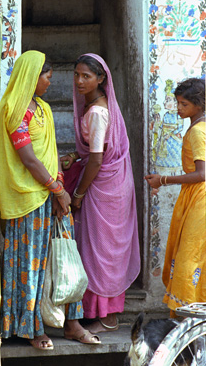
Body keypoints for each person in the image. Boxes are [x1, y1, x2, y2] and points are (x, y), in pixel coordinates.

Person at [0, 50, 99, 350]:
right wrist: (56, 189)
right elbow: (27, 158)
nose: (49, 84)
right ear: (31, 76)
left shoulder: (42, 108)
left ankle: (72, 323)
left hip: (51, 194)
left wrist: (58, 190)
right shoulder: (14, 109)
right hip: (27, 198)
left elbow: (49, 153)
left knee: (65, 259)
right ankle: (32, 328)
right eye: (46, 78)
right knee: (32, 263)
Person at [61, 54, 140, 333]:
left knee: (100, 250)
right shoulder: (92, 105)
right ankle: (95, 311)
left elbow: (96, 159)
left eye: (86, 76)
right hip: (109, 181)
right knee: (96, 248)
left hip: (104, 187)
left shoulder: (97, 112)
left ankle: (106, 316)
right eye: (76, 74)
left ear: (101, 79)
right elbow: (97, 151)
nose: (80, 81)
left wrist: (79, 194)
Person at [145, 77, 205, 316]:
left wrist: (164, 180)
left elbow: (202, 174)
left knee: (188, 256)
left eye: (184, 104)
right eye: (178, 103)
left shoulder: (198, 132)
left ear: (199, 105)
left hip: (200, 198)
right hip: (194, 197)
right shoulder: (198, 126)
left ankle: (187, 314)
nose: (179, 109)